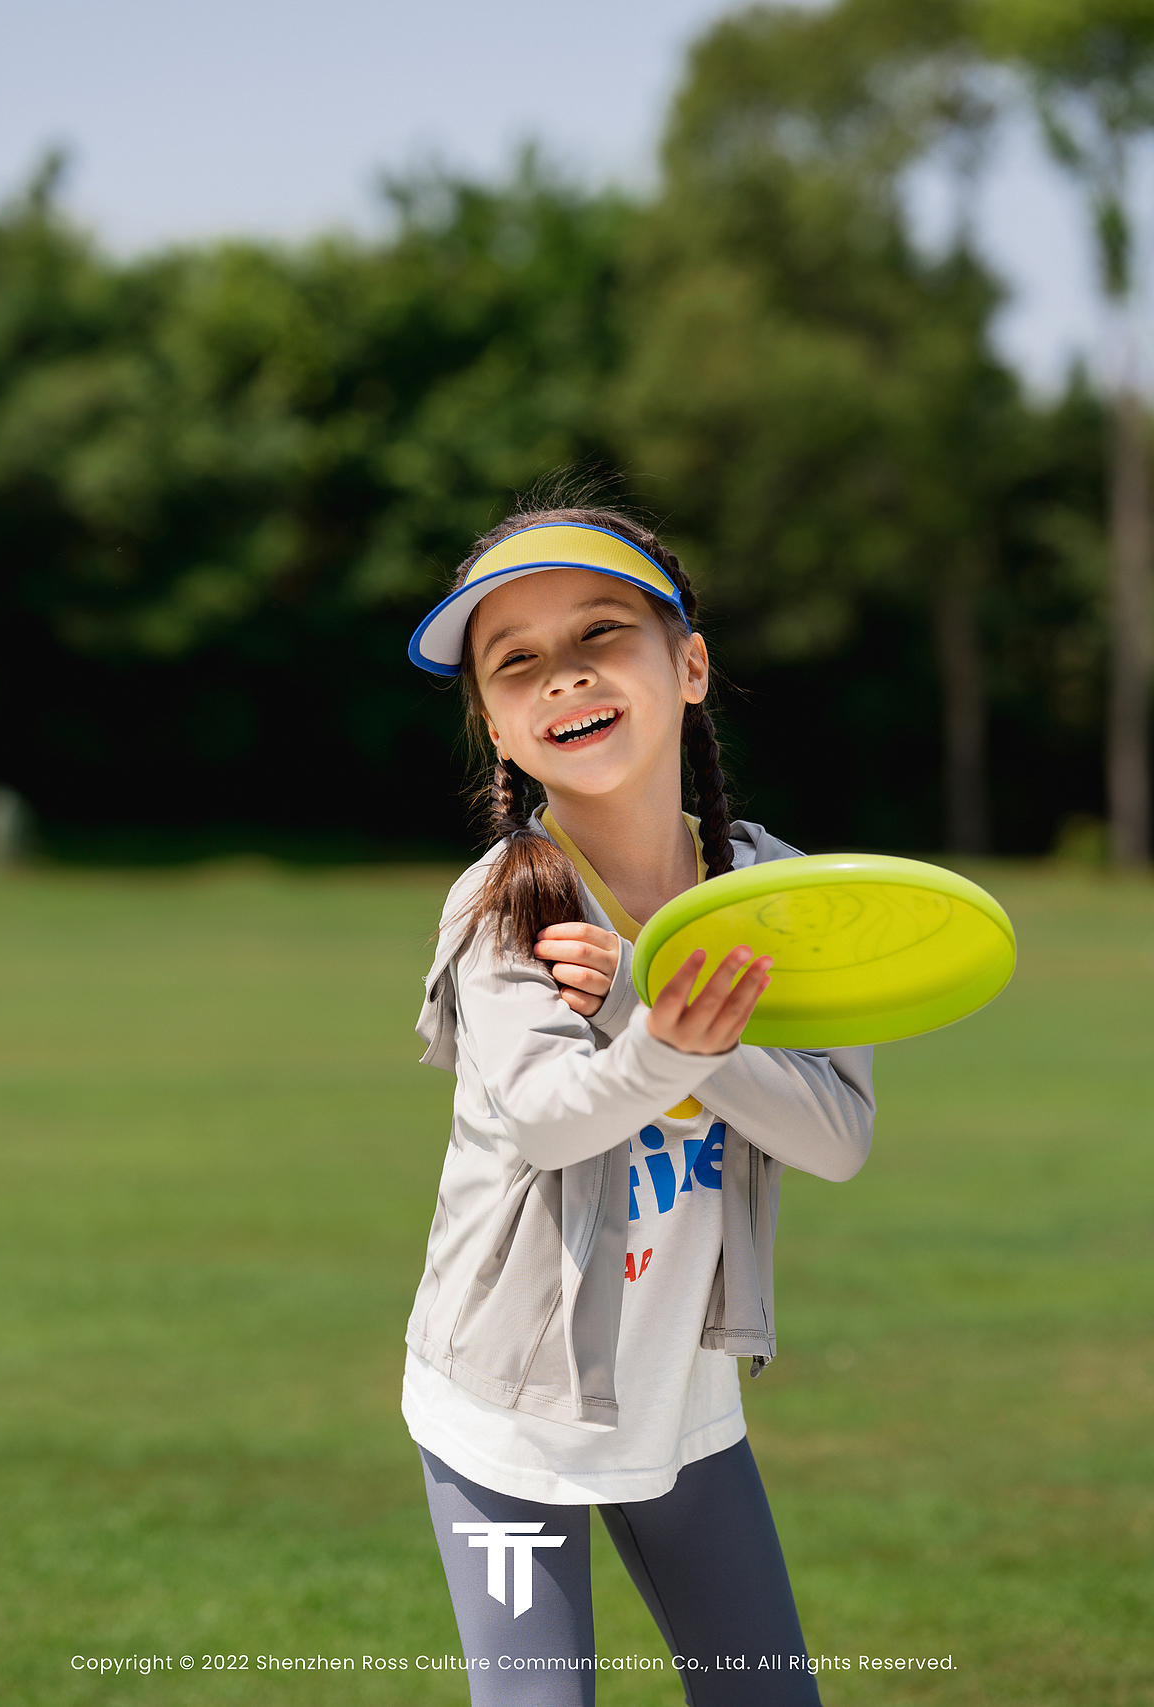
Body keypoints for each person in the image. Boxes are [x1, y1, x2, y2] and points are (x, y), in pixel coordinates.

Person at [401, 500, 875, 1706]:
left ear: (689, 665)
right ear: (499, 728)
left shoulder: (775, 895)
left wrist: (661, 1022)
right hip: (505, 1420)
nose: (562, 677)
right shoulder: (503, 904)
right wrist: (663, 1036)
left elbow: (835, 1139)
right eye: (516, 663)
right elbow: (546, 1118)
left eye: (599, 633)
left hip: (679, 1405)